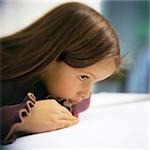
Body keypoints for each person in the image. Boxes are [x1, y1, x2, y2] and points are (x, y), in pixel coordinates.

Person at [0, 2, 121, 144]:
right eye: (83, 77)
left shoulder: (54, 84)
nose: (86, 94)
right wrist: (20, 119)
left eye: (95, 82)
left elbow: (84, 103)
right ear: (51, 56)